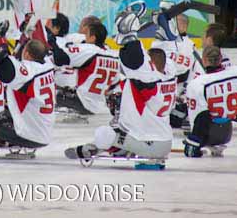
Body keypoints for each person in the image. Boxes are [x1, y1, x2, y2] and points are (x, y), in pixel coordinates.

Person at [64, 12, 177, 160]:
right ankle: (120, 146)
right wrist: (163, 26)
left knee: (103, 134)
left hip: (148, 141)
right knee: (120, 129)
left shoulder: (148, 80)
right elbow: (166, 52)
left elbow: (135, 61)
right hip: (165, 139)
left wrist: (129, 35)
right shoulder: (170, 73)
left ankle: (106, 147)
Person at [0, 38, 55, 149]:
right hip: (45, 130)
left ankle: (4, 141)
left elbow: (7, 72)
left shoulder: (29, 72)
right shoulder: (48, 65)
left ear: (27, 54)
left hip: (31, 135)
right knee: (6, 111)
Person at [182, 46, 237, 158]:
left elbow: (200, 117)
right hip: (227, 131)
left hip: (207, 134)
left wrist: (193, 143)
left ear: (204, 60)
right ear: (221, 59)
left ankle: (195, 143)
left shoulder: (197, 83)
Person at [50, 20, 120, 115]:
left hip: (82, 103)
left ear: (93, 38)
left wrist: (52, 42)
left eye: (86, 34)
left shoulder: (89, 49)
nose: (84, 37)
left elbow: (59, 59)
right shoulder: (114, 56)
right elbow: (114, 84)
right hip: (101, 106)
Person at [151, 13, 197, 128]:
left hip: (174, 89)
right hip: (167, 88)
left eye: (176, 23)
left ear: (184, 26)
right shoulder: (164, 42)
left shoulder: (189, 46)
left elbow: (191, 72)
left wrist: (184, 92)